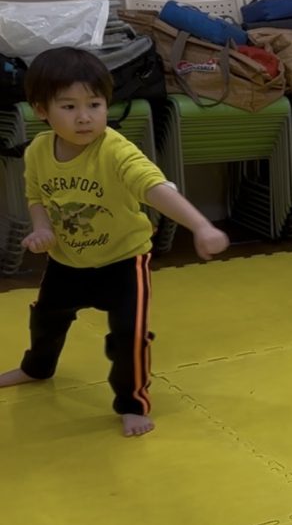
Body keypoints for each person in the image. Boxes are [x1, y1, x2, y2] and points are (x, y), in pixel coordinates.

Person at [0, 47, 229, 437]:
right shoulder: (39, 150)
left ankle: (133, 404)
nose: (84, 117)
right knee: (46, 319)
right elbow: (36, 195)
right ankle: (36, 368)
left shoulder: (116, 150)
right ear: (41, 111)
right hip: (67, 260)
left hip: (124, 261)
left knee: (130, 336)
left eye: (95, 104)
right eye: (69, 107)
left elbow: (155, 188)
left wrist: (200, 226)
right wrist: (42, 229)